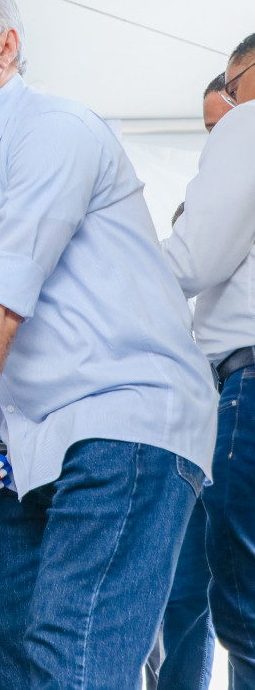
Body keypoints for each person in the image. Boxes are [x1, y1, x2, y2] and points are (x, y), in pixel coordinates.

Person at [0, 0, 216, 688]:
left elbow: (3, 299)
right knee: (7, 655)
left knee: (72, 655)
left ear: (7, 46)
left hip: (122, 419)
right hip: (27, 441)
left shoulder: (53, 128)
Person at [160, 34, 255, 686]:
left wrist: (117, 276)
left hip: (245, 382)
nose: (227, 103)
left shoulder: (248, 124)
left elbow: (194, 259)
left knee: (245, 610)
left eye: (232, 86)